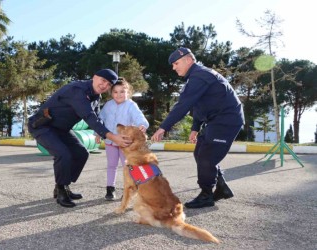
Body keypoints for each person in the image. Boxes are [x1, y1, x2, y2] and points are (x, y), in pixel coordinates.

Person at [151, 47, 245, 209]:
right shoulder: (197, 75)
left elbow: (183, 105)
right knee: (200, 151)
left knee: (206, 157)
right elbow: (200, 105)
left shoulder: (199, 76)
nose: (174, 68)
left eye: (176, 63)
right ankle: (221, 187)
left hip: (226, 120)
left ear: (188, 60)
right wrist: (195, 128)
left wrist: (163, 127)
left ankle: (206, 195)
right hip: (216, 120)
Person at [28, 69, 132, 208]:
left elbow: (97, 119)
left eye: (108, 84)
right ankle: (60, 190)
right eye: (102, 80)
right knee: (63, 154)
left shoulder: (96, 96)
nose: (104, 85)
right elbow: (89, 117)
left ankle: (64, 185)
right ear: (94, 77)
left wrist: (101, 133)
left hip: (61, 129)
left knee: (81, 153)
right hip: (43, 126)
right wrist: (112, 137)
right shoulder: (77, 90)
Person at [95, 78, 149, 201]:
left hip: (126, 143)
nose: (119, 95)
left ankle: (129, 189)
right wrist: (98, 133)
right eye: (115, 92)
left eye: (122, 92)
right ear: (111, 93)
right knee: (111, 165)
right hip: (110, 142)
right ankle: (110, 188)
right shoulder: (108, 105)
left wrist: (142, 125)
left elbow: (139, 117)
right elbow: (100, 120)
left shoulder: (131, 105)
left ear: (128, 92)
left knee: (128, 167)